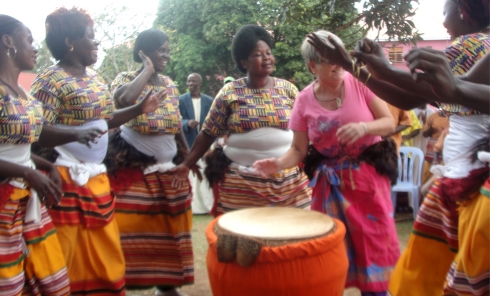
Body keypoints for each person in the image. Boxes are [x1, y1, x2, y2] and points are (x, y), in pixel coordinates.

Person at [306, 0, 490, 294]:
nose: (444, 22)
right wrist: (368, 68)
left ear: (464, 11)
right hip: (466, 174)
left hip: (470, 180)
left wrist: (362, 67)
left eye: (446, 12)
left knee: (433, 275)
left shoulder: (469, 45)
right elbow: (417, 95)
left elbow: (415, 96)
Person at [30, 8, 166, 295]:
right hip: (65, 177)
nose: (97, 43)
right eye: (91, 37)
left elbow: (106, 120)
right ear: (70, 42)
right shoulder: (49, 81)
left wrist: (140, 109)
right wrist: (76, 133)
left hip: (97, 179)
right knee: (67, 248)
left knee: (105, 249)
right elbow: (37, 129)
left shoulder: (95, 80)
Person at [253, 30, 398, 295]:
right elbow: (298, 149)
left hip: (367, 183)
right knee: (329, 254)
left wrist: (365, 128)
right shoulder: (304, 100)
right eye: (328, 60)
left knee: (374, 251)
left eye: (340, 57)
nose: (338, 65)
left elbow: (389, 122)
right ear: (312, 66)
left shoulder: (360, 82)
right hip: (329, 186)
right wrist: (278, 164)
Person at [0, 14, 105, 295]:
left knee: (52, 282)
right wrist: (26, 172)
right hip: (5, 200)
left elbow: (22, 146)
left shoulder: (24, 96)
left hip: (27, 199)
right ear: (7, 41)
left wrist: (47, 165)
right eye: (28, 40)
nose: (35, 48)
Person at [170, 24, 312, 216]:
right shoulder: (229, 92)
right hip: (241, 186)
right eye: (258, 54)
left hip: (288, 183)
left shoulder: (288, 89)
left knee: (290, 237)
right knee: (243, 240)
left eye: (268, 52)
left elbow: (305, 131)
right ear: (243, 62)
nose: (266, 58)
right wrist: (186, 164)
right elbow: (208, 133)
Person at [107, 28, 193, 295]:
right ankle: (128, 283)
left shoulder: (169, 83)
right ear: (144, 52)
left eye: (168, 50)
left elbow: (176, 123)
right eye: (160, 50)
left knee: (170, 236)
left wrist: (188, 156)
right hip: (135, 172)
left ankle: (166, 288)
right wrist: (146, 69)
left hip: (169, 173)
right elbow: (125, 100)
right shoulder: (126, 78)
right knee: (134, 231)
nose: (166, 55)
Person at [179, 73, 214, 214]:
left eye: (193, 81)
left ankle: (207, 206)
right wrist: (187, 122)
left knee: (205, 174)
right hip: (187, 143)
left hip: (205, 144)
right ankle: (191, 206)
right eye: (188, 81)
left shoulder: (208, 100)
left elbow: (214, 121)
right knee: (191, 176)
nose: (190, 84)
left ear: (200, 84)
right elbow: (175, 121)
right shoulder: (181, 100)